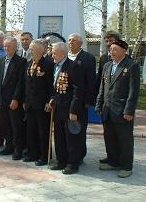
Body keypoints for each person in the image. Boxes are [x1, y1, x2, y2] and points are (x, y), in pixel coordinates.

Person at [96, 39, 140, 178]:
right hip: (107, 109)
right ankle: (113, 161)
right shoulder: (107, 66)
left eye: (115, 49)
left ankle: (126, 166)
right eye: (110, 49)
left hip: (122, 110)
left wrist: (129, 110)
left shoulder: (131, 66)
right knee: (109, 137)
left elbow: (133, 91)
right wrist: (99, 104)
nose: (111, 52)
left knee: (124, 140)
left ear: (124, 50)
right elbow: (102, 88)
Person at [46, 42, 85, 175]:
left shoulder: (73, 66)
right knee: (59, 136)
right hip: (58, 107)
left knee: (71, 138)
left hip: (69, 108)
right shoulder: (55, 66)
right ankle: (61, 160)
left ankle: (72, 163)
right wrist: (52, 98)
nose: (52, 55)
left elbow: (78, 91)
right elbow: (54, 86)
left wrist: (74, 110)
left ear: (62, 53)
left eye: (54, 53)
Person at [0, 37, 26, 160]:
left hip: (13, 100)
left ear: (15, 47)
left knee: (16, 126)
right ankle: (9, 146)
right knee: (5, 125)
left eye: (9, 46)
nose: (6, 48)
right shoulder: (0, 61)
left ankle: (18, 149)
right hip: (1, 99)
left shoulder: (21, 62)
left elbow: (20, 83)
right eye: (5, 46)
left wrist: (16, 98)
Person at [23, 40, 54, 165]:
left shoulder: (48, 63)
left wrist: (49, 101)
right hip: (30, 103)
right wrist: (25, 100)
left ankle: (44, 155)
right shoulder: (29, 62)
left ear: (41, 50)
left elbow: (51, 85)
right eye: (30, 48)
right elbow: (26, 84)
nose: (30, 51)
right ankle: (32, 153)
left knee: (43, 131)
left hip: (42, 104)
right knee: (31, 130)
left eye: (32, 49)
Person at [67, 33, 96, 162]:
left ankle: (79, 156)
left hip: (81, 100)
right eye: (69, 41)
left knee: (79, 129)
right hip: (66, 100)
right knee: (67, 130)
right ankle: (69, 153)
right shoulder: (65, 56)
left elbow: (91, 81)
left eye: (73, 41)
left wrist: (89, 100)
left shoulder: (88, 57)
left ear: (80, 43)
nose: (70, 43)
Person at [96, 30, 120, 164]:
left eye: (111, 41)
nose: (108, 44)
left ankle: (120, 158)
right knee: (108, 132)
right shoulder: (104, 58)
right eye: (106, 41)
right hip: (106, 102)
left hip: (118, 103)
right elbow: (100, 79)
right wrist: (98, 101)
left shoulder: (125, 59)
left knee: (119, 133)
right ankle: (110, 156)